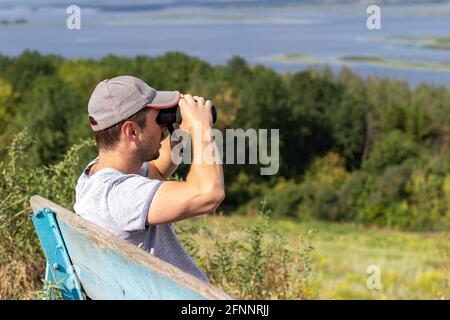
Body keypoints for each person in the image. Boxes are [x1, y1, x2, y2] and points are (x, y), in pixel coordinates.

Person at [73, 75, 225, 282]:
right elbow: (209, 193)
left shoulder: (96, 178)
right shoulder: (121, 196)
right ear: (132, 130)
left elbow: (155, 169)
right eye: (158, 120)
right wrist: (201, 128)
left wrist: (182, 132)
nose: (163, 127)